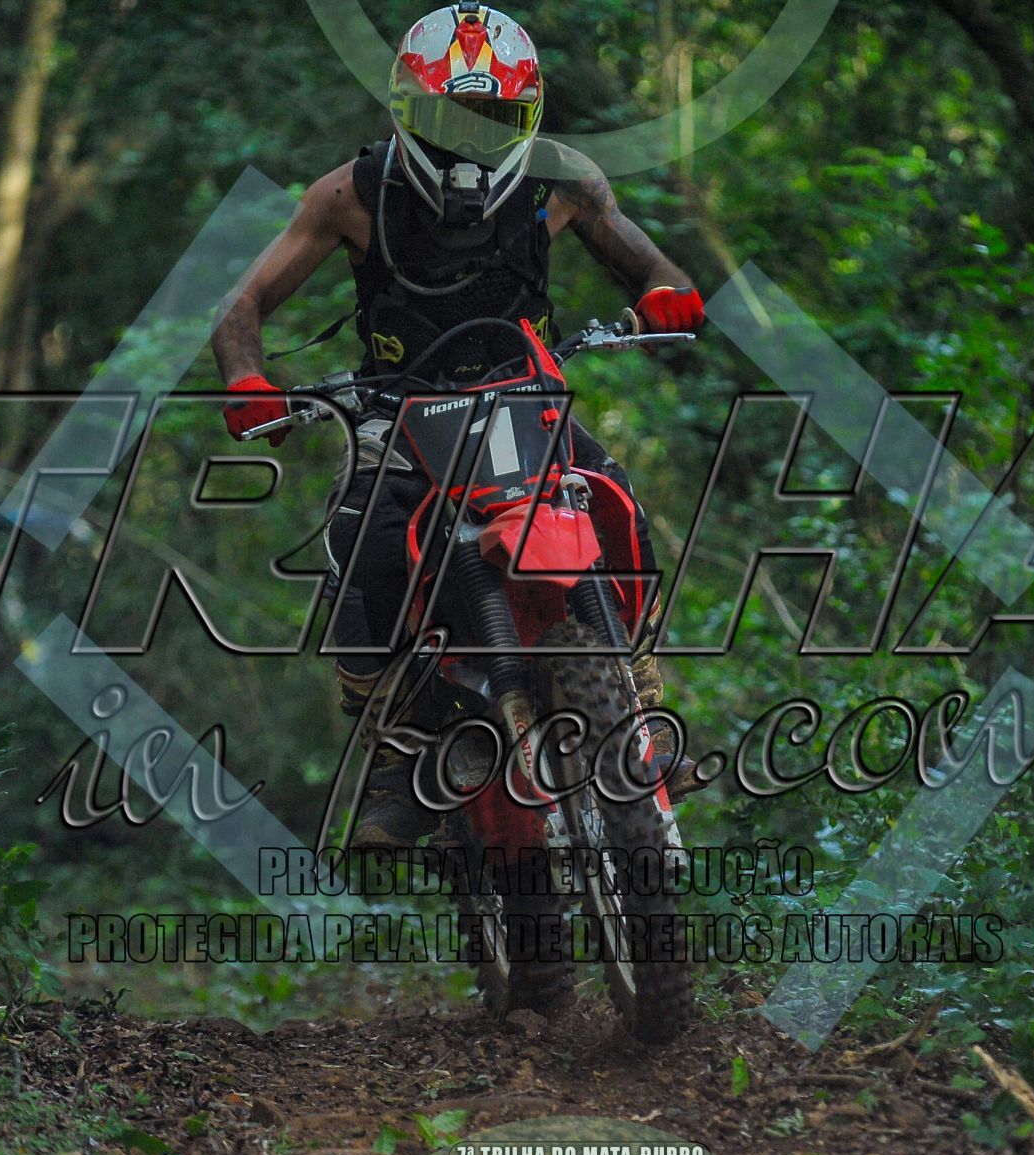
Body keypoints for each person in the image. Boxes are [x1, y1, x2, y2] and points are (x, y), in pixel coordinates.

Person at [211, 3, 706, 851]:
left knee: (612, 498)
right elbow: (244, 302)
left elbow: (649, 262)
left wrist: (666, 293)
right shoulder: (352, 193)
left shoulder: (563, 182)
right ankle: (398, 756)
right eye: (452, 117)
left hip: (526, 397)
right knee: (363, 536)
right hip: (399, 409)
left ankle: (642, 703)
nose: (472, 139)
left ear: (528, 116)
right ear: (409, 112)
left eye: (493, 117)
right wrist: (247, 379)